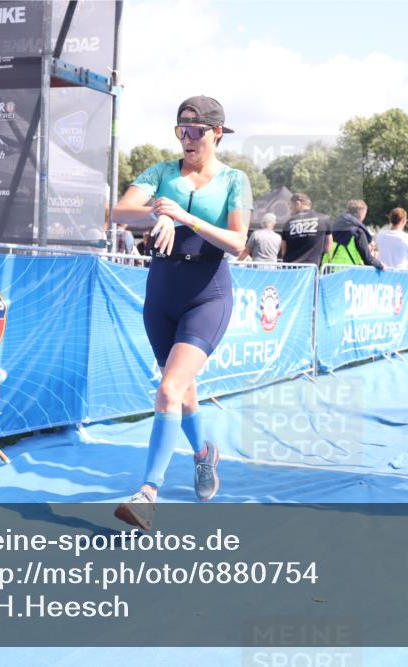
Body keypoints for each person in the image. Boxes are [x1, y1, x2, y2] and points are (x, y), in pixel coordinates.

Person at [111, 95, 252, 530]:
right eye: (180, 131)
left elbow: (237, 242)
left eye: (196, 131)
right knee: (184, 393)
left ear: (216, 134)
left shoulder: (234, 179)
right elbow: (116, 212)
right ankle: (204, 454)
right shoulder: (161, 173)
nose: (187, 139)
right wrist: (160, 213)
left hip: (207, 295)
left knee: (169, 390)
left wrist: (186, 220)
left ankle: (148, 493)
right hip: (161, 294)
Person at [322, 199, 383, 269]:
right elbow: (368, 260)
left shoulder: (332, 228)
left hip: (329, 273)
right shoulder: (358, 232)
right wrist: (380, 265)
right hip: (349, 273)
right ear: (362, 214)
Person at [280, 192, 331, 265]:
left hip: (290, 269)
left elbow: (284, 251)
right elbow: (327, 248)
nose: (290, 210)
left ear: (298, 203)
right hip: (310, 269)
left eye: (291, 207)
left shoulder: (288, 223)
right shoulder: (324, 219)